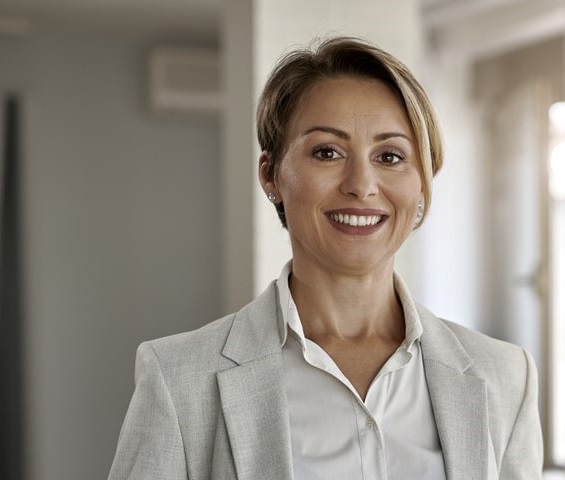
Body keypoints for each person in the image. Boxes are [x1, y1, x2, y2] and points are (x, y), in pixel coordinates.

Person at [109, 36, 542, 479]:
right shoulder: (179, 379)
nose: (362, 184)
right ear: (271, 175)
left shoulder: (505, 378)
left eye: (390, 156)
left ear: (423, 182)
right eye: (327, 152)